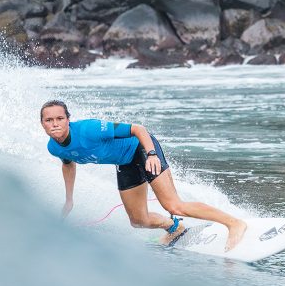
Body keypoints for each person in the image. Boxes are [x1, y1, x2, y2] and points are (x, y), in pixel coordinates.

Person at [40, 100, 247, 249]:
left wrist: (152, 155)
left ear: (68, 120)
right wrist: (69, 200)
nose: (55, 123)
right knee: (139, 220)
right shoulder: (54, 148)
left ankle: (234, 223)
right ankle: (176, 229)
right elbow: (68, 165)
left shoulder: (89, 129)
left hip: (142, 149)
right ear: (42, 124)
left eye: (60, 118)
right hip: (124, 162)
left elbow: (138, 129)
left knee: (173, 205)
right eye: (49, 120)